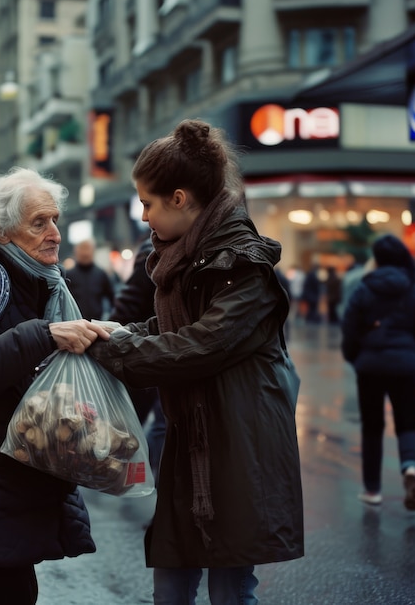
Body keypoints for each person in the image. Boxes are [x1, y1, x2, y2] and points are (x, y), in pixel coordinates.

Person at [88, 119, 304, 604]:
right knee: (170, 583)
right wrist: (109, 332)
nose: (143, 216)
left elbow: (201, 344)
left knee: (229, 589)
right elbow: (168, 332)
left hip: (238, 447)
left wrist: (110, 349)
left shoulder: (243, 266)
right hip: (190, 443)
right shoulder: (180, 259)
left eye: (148, 203)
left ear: (180, 199)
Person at [0, 167, 110, 605]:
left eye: (54, 220)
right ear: (2, 231)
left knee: (16, 575)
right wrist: (45, 334)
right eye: (38, 223)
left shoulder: (44, 281)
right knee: (9, 580)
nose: (54, 233)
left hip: (26, 457)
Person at [341, 234, 415, 511]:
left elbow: (350, 327)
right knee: (407, 420)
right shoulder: (410, 288)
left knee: (372, 426)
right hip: (404, 364)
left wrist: (356, 356)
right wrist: (407, 347)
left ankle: (372, 490)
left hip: (370, 366)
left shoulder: (365, 287)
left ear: (377, 259)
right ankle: (411, 468)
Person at [109, 234, 164, 481]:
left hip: (164, 353)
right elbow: (127, 304)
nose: (145, 215)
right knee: (162, 427)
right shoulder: (152, 251)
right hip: (149, 354)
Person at [66, 238, 115, 320]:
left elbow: (112, 299)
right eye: (82, 249)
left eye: (87, 249)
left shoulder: (101, 274)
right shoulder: (69, 275)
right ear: (76, 252)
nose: (85, 253)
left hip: (97, 323)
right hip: (74, 323)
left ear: (93, 251)